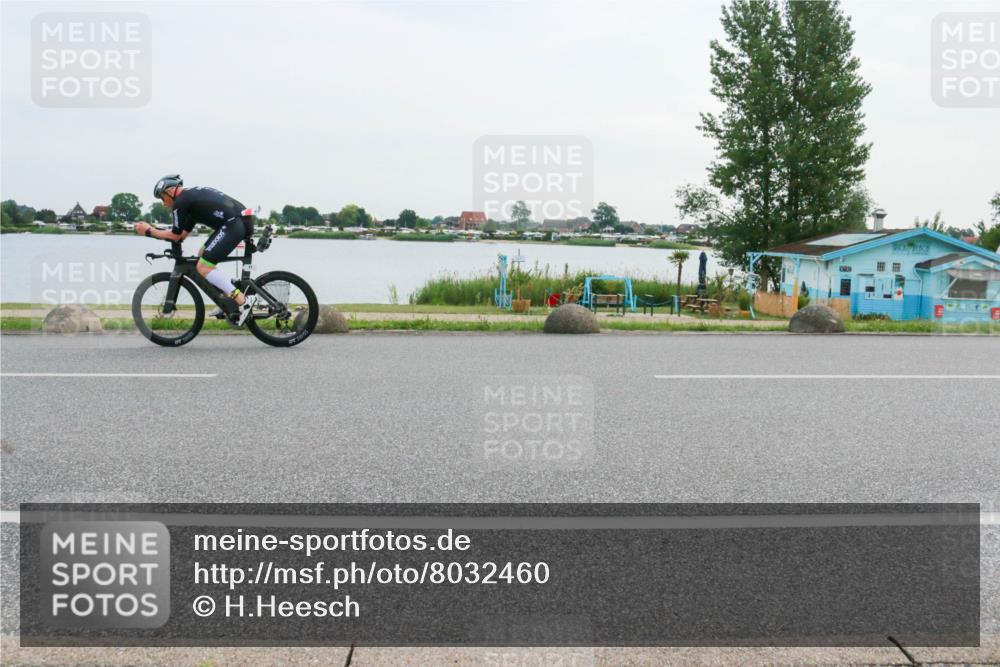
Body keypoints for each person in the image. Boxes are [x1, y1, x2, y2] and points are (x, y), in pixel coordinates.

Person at [137, 174, 254, 324]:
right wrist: (155, 232)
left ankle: (241, 301)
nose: (164, 204)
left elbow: (174, 235)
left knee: (203, 266)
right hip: (234, 222)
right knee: (201, 256)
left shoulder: (181, 202)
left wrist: (149, 231)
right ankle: (225, 300)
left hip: (234, 224)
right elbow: (180, 236)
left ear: (171, 191)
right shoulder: (189, 202)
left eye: (162, 198)